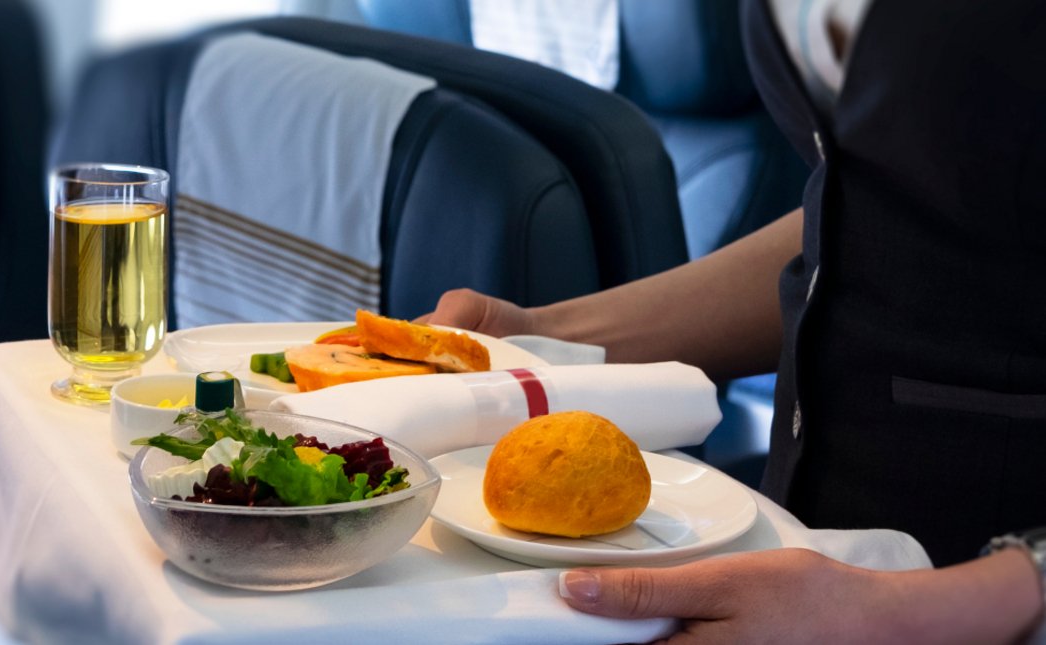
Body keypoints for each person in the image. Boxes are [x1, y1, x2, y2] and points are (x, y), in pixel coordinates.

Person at [423, 0, 1045, 640]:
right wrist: (540, 337)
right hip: (800, 549)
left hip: (968, 579)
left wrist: (906, 615)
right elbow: (872, 223)